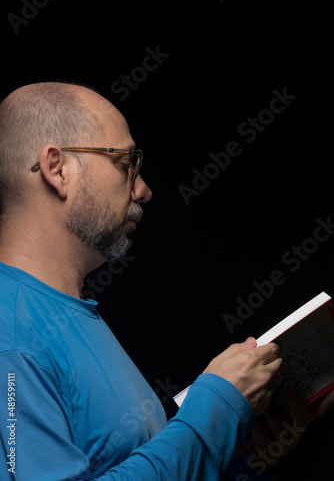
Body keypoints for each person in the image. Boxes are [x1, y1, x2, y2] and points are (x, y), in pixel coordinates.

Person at [0, 81, 331, 481]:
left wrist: (243, 458)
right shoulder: (10, 333)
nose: (143, 189)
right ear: (57, 169)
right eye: (125, 164)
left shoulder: (67, 314)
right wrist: (217, 410)